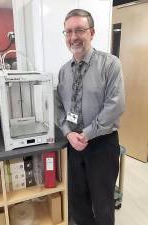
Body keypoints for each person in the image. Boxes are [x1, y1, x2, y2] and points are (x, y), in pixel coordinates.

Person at [56, 9, 125, 225]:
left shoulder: (110, 64)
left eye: (79, 30)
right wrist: (68, 134)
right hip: (74, 146)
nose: (73, 37)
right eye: (68, 32)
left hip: (102, 145)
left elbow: (115, 105)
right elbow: (59, 107)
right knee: (78, 203)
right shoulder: (63, 71)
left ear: (92, 32)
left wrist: (85, 134)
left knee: (103, 204)